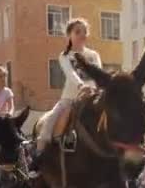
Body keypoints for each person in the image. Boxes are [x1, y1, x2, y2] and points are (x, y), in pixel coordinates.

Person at [31, 18, 102, 175]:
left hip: (92, 97)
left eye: (84, 32)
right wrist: (81, 86)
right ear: (69, 35)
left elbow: (99, 74)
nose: (82, 35)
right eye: (77, 31)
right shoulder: (65, 56)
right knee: (50, 120)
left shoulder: (93, 55)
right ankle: (38, 157)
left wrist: (96, 88)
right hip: (70, 99)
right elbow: (71, 74)